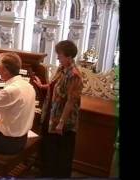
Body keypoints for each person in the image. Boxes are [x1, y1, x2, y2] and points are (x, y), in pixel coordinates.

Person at [33, 40, 83, 178]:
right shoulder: (61, 68)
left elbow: (71, 101)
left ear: (69, 57)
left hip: (63, 120)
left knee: (62, 154)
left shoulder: (74, 75)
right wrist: (41, 85)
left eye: (59, 55)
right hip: (51, 114)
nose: (57, 58)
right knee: (49, 149)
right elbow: (54, 86)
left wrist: (61, 122)